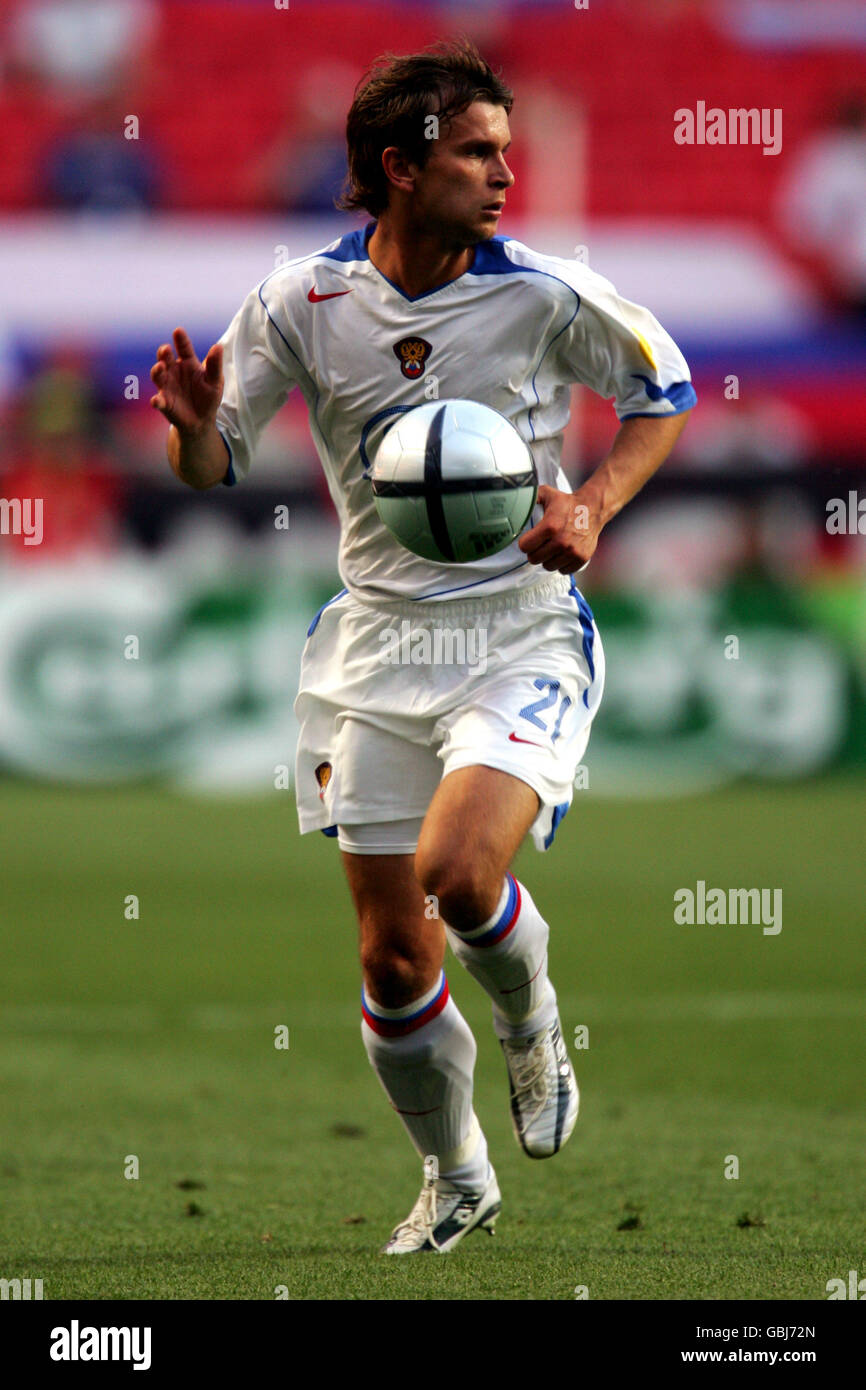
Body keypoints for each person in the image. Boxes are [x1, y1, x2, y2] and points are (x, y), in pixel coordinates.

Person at [150, 38, 695, 1256]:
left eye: (505, 149)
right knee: (393, 956)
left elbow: (663, 395)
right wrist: (191, 431)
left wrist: (589, 505)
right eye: (476, 152)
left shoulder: (546, 292)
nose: (505, 173)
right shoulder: (301, 298)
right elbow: (215, 458)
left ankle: (532, 1025)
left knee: (458, 875)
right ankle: (454, 1174)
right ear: (399, 167)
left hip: (518, 632)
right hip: (372, 647)